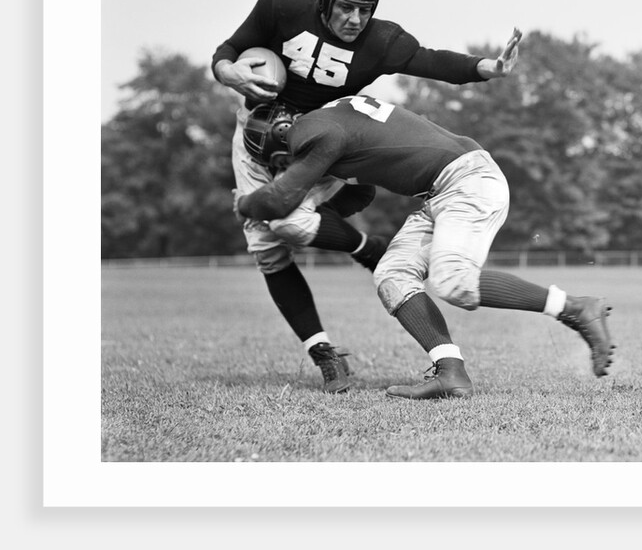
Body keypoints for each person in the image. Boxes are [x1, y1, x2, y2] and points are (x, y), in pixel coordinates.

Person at [212, 0, 520, 393]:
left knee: (287, 222)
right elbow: (225, 53)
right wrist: (230, 72)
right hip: (257, 135)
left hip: (323, 144)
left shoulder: (382, 42)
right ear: (323, 0)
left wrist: (487, 68)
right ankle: (324, 353)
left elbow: (432, 62)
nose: (355, 18)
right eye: (345, 7)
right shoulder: (282, 4)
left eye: (365, 9)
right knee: (268, 248)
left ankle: (360, 242)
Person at [235, 95, 615, 400]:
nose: (285, 168)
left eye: (280, 161)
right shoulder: (331, 120)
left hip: (466, 180)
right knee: (392, 274)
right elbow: (362, 191)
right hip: (441, 191)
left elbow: (279, 200)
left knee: (452, 281)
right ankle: (451, 371)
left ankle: (576, 307)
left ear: (281, 135)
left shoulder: (307, 132)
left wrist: (246, 204)